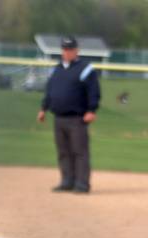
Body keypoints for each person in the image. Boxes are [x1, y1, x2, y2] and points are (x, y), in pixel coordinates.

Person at [37, 36, 101, 194]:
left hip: (77, 118)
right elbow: (50, 91)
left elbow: (94, 92)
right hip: (59, 117)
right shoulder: (56, 69)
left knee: (79, 152)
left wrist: (91, 110)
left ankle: (82, 184)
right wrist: (43, 108)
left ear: (76, 51)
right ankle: (67, 181)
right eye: (64, 49)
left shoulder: (85, 69)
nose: (66, 52)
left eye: (69, 49)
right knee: (63, 152)